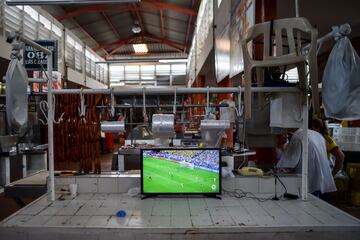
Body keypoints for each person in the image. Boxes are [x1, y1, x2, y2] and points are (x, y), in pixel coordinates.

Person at [277, 128, 336, 199]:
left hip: (310, 183)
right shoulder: (317, 134)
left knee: (310, 207)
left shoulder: (298, 137)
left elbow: (287, 164)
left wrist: (280, 144)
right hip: (324, 181)